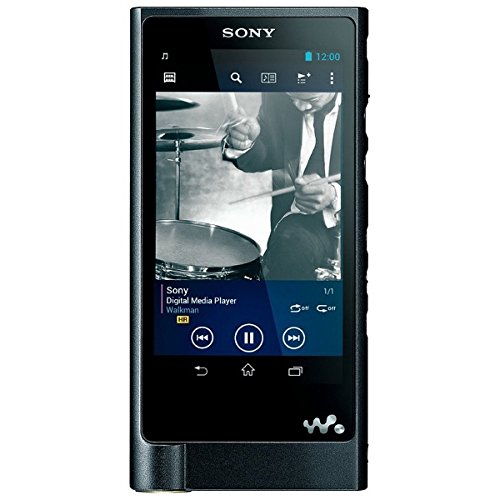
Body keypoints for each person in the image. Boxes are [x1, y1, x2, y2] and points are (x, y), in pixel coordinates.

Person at [223, 92, 342, 280]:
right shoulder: (277, 95)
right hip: (297, 227)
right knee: (286, 255)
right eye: (292, 98)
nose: (300, 107)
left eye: (310, 100)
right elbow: (268, 153)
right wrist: (247, 142)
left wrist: (335, 193)